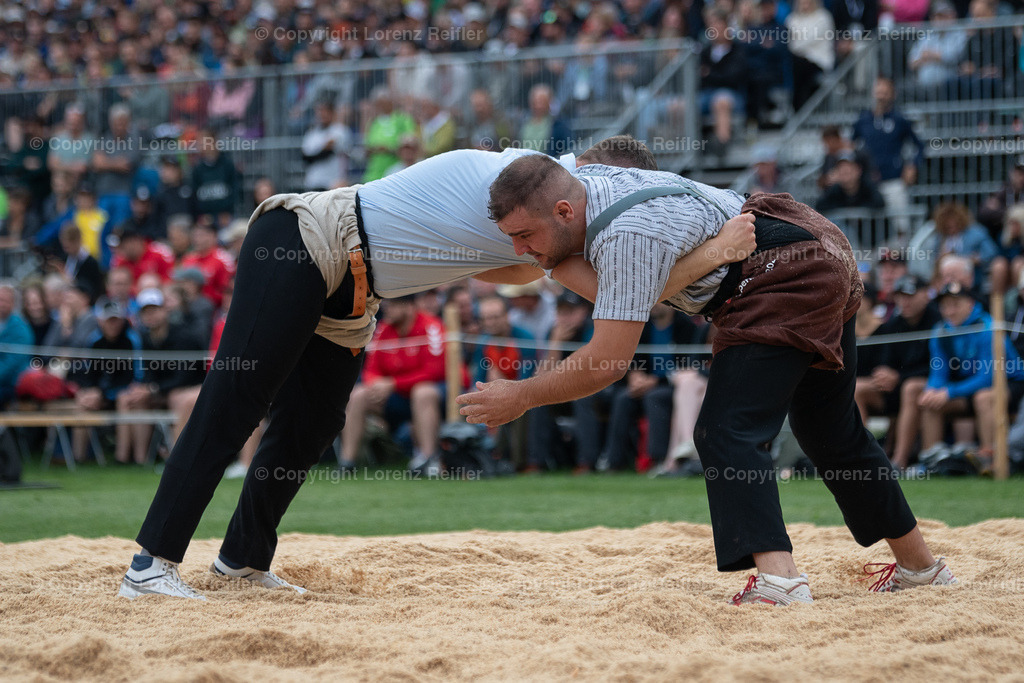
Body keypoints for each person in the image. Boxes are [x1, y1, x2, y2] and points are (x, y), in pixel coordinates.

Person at [118, 139, 756, 600]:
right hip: (306, 237)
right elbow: (618, 294)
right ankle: (151, 563)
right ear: (585, 184)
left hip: (355, 286)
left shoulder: (535, 219)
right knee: (235, 399)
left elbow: (528, 271)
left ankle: (242, 562)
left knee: (310, 424)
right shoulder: (528, 189)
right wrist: (715, 254)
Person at [460, 154, 957, 604]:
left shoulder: (627, 238)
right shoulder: (586, 184)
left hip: (778, 274)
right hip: (819, 245)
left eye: (525, 237)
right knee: (832, 431)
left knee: (726, 432)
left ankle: (780, 581)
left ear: (566, 212)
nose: (519, 249)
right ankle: (921, 568)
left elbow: (607, 362)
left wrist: (521, 395)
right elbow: (584, 274)